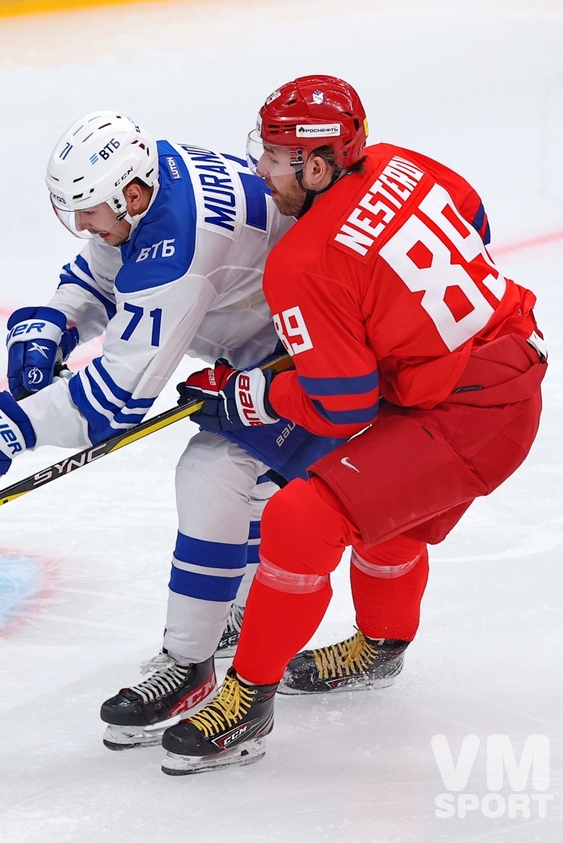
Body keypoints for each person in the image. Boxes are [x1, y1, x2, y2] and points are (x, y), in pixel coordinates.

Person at [158, 75, 547, 775]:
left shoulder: (302, 263)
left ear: (318, 163)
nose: (262, 169)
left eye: (277, 156)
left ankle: (246, 699)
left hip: (469, 411)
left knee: (302, 518)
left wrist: (254, 394)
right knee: (386, 511)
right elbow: (472, 218)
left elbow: (342, 407)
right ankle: (381, 646)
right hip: (508, 363)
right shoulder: (404, 162)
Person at [0, 111, 342, 749]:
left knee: (213, 474)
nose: (82, 227)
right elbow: (107, 263)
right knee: (246, 482)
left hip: (318, 359)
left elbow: (113, 403)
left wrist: (8, 426)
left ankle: (191, 664)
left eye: (89, 211)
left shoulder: (180, 251)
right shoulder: (152, 174)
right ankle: (236, 624)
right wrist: (54, 322)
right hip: (294, 339)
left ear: (133, 194)